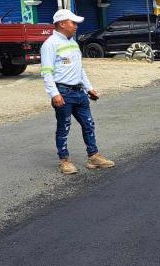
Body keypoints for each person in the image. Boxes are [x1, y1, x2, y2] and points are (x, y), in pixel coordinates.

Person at [41, 9, 115, 174]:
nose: (75, 26)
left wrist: (89, 88)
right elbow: (46, 72)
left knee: (88, 124)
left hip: (79, 92)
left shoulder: (73, 43)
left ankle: (93, 156)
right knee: (64, 127)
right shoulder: (50, 44)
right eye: (72, 23)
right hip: (63, 92)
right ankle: (64, 161)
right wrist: (54, 94)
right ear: (61, 24)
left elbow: (80, 69)